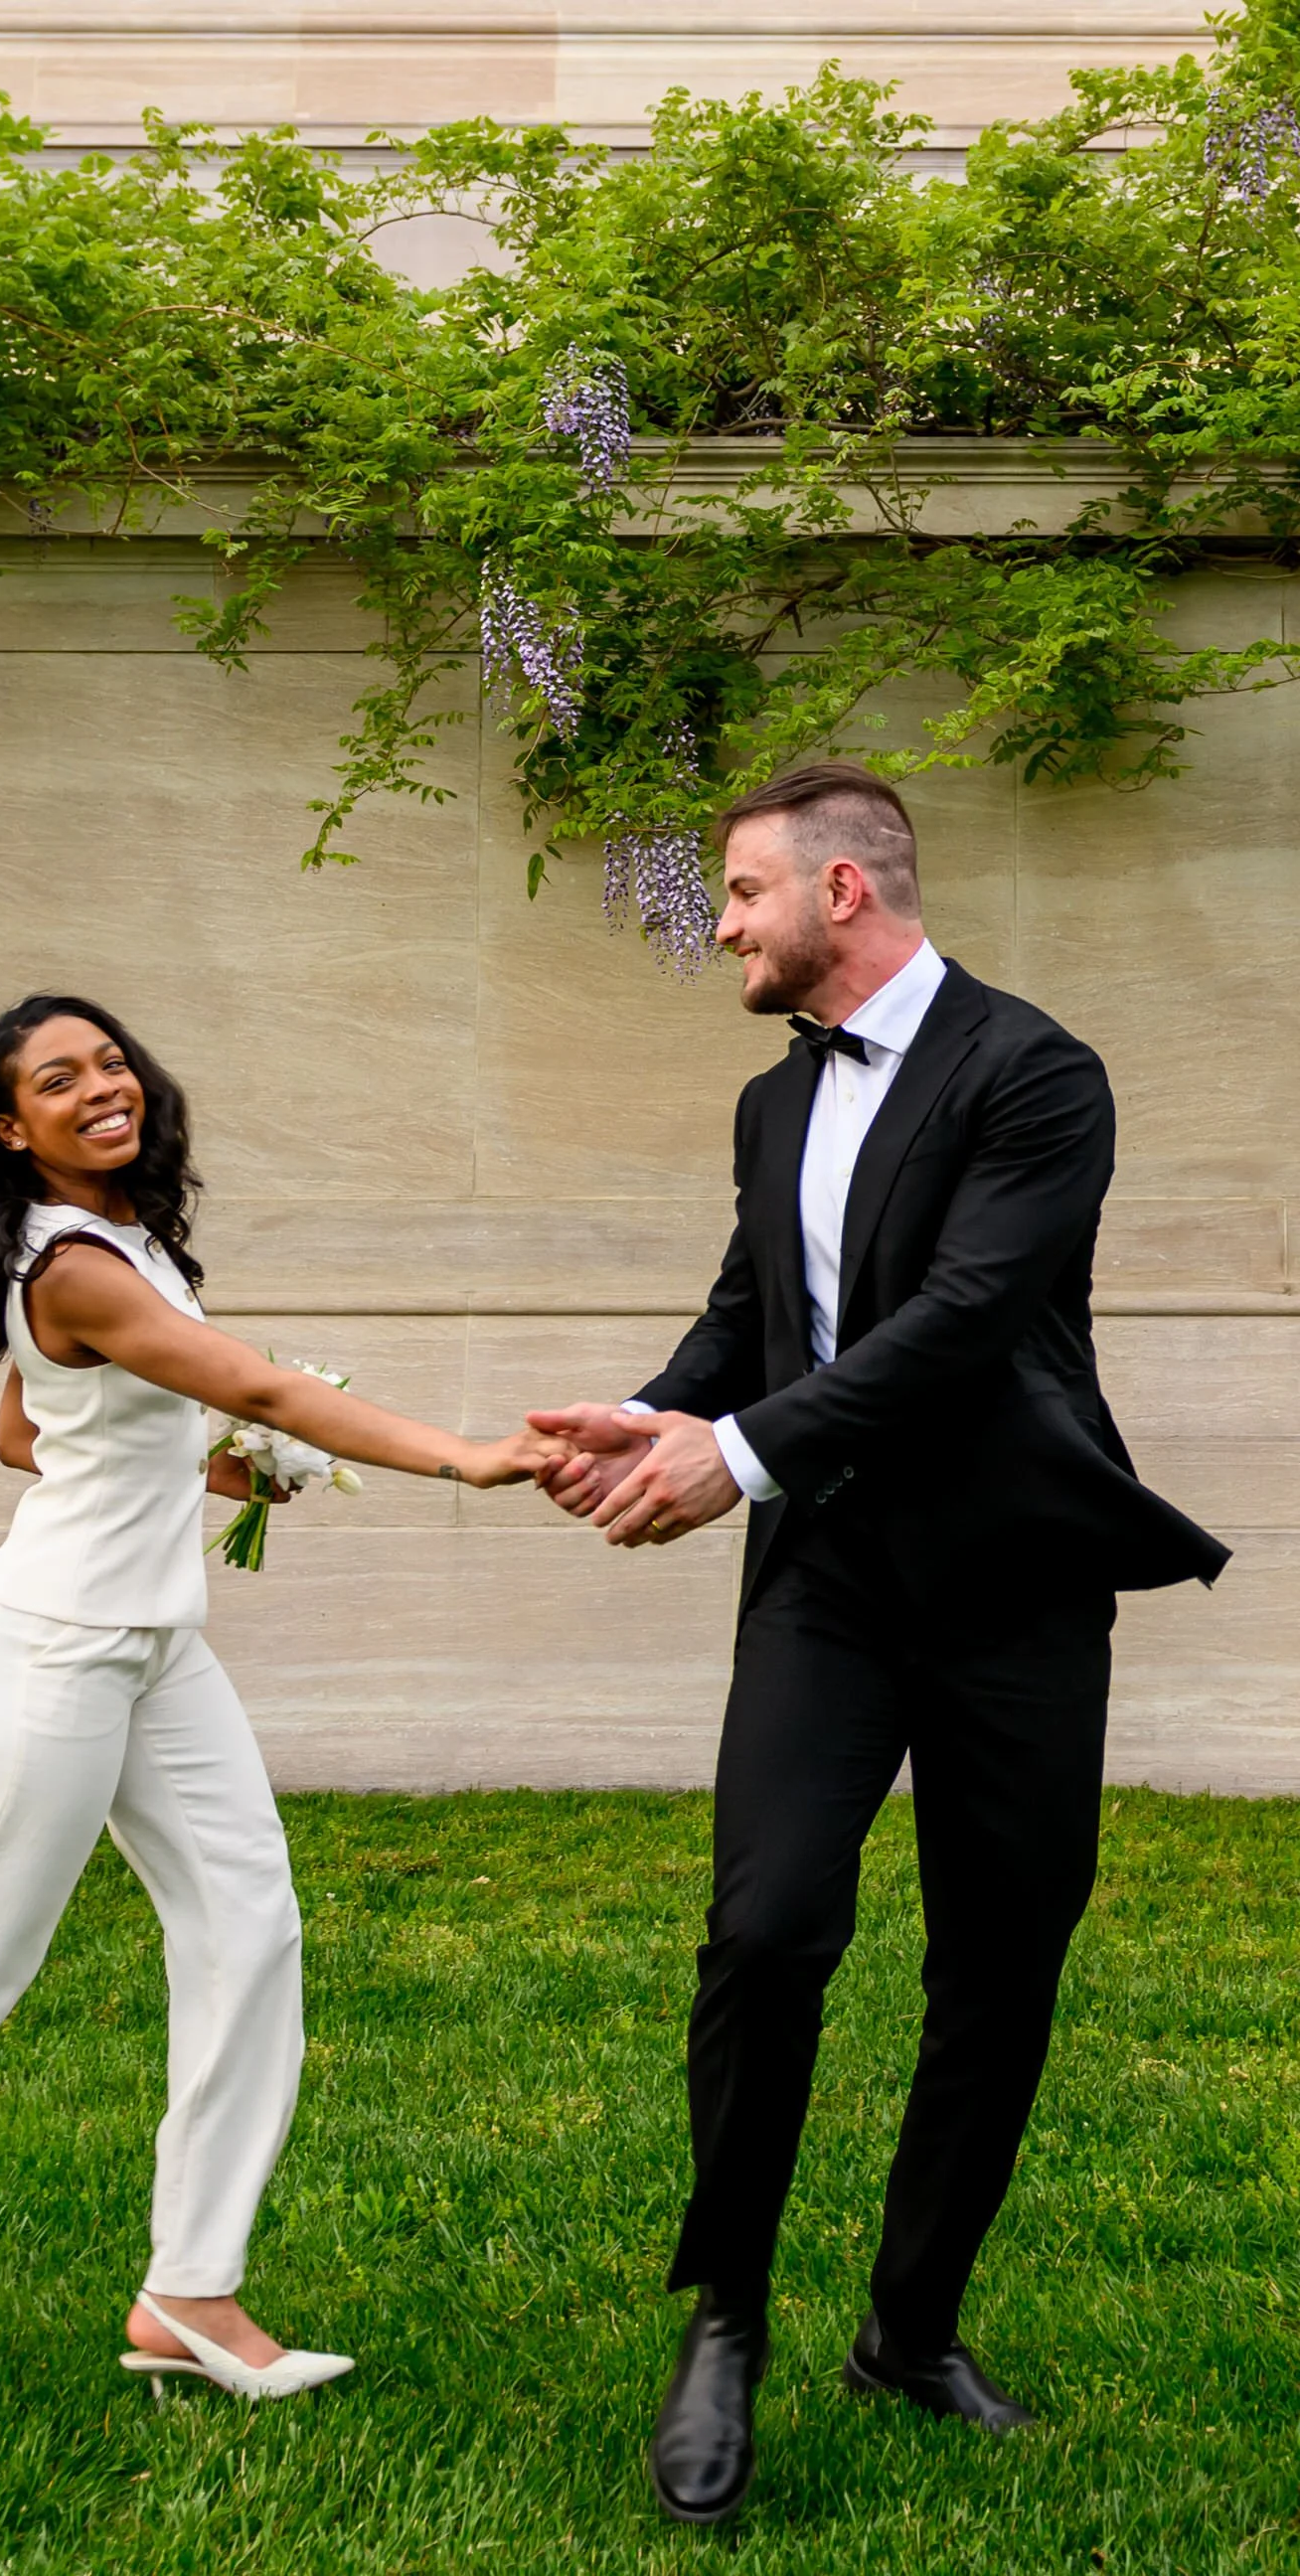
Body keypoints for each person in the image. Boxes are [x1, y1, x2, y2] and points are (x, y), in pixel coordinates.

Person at [0, 991, 569, 2418]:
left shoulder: (125, 1246)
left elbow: (25, 1435)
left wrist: (221, 1476)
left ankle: (190, 2291)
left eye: (110, 1061)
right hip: (53, 1653)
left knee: (247, 1925)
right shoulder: (79, 1264)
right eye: (60, 1080)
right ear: (10, 1127)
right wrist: (467, 1459)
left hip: (153, 1647)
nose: (103, 1087)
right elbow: (253, 1385)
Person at [532, 762, 1227, 2529]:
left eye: (742, 896)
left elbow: (966, 1319)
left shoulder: (1040, 1072)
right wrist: (641, 1416)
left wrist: (738, 1455)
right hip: (828, 1586)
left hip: (1014, 1589)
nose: (725, 930)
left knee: (998, 1969)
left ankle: (910, 2328)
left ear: (843, 891)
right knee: (766, 1932)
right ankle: (727, 2321)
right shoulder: (775, 1106)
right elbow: (753, 1315)